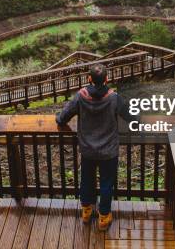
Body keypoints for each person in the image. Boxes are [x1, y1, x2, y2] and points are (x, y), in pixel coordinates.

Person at [56, 63, 132, 231]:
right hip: (108, 151)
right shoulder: (114, 98)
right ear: (106, 79)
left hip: (87, 150)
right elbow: (132, 117)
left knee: (87, 180)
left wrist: (58, 117)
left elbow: (62, 118)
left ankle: (86, 212)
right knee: (106, 183)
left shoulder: (80, 96)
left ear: (89, 79)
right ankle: (103, 217)